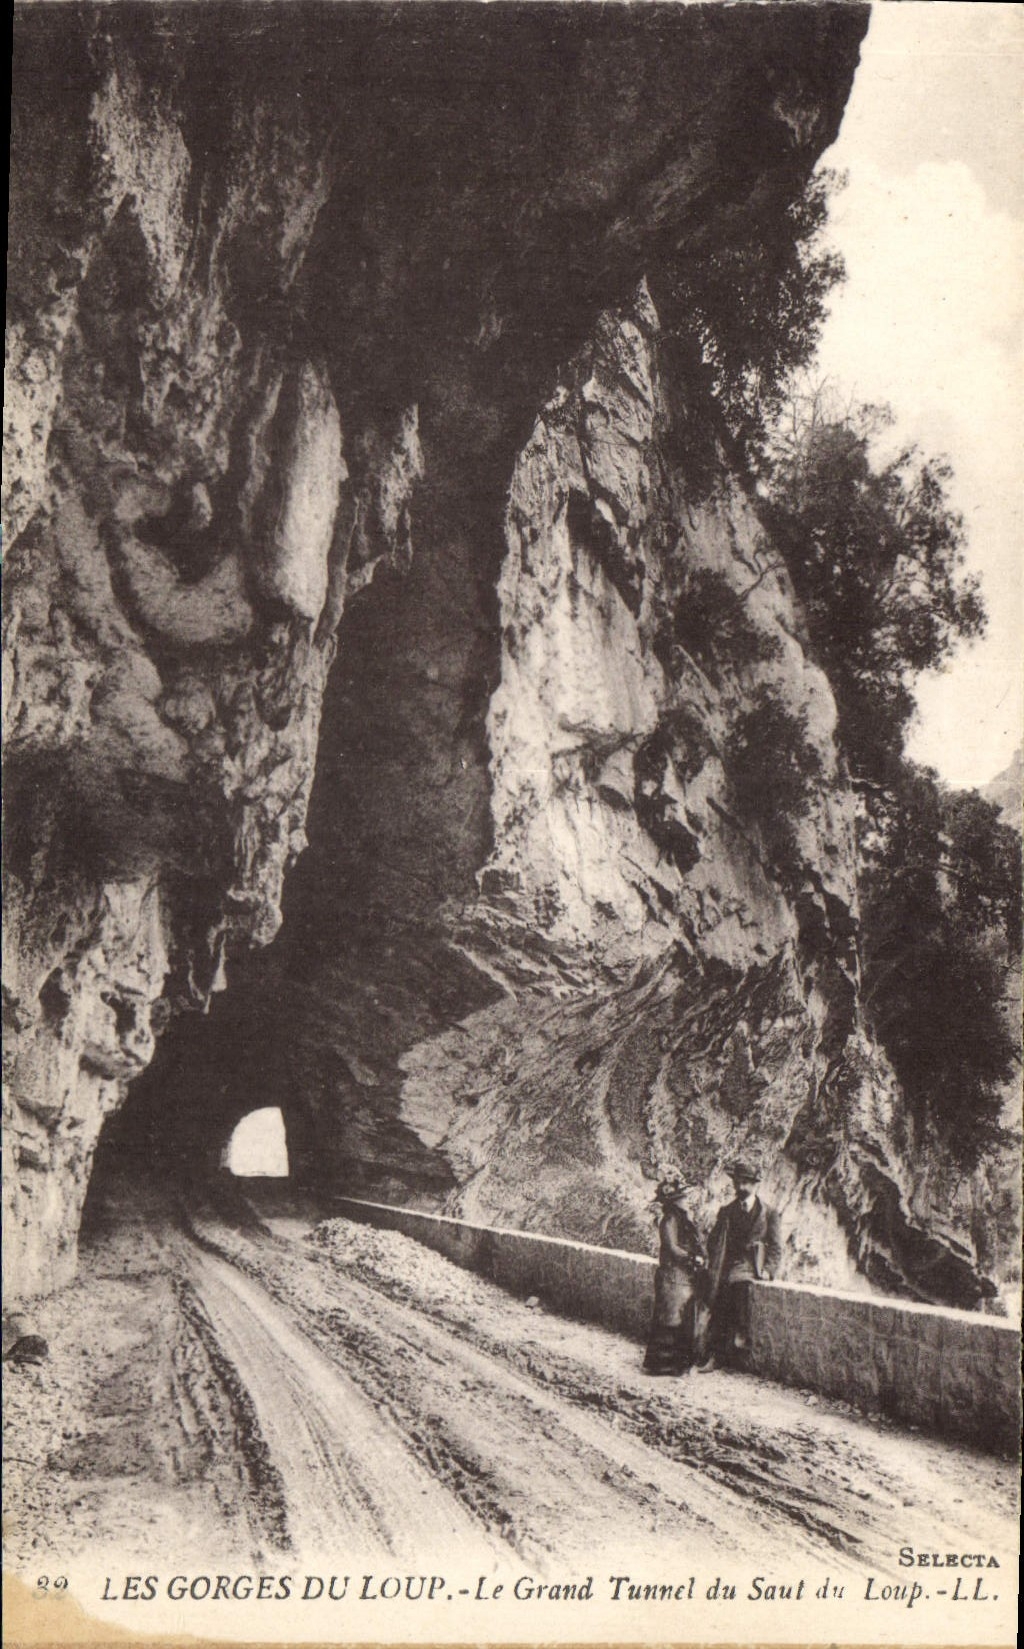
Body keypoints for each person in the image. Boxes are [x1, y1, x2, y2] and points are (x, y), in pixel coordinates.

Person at [696, 1160, 781, 1372]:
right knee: (717, 1303)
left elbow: (776, 1246)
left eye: (746, 1183)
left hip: (751, 1266)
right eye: (738, 1183)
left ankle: (735, 1351)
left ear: (754, 1185)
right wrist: (710, 1259)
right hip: (726, 1265)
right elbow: (713, 1240)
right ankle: (715, 1355)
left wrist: (769, 1270)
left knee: (738, 1296)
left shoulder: (768, 1212)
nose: (741, 1188)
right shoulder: (726, 1211)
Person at [643, 1176, 707, 1375]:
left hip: (682, 1276)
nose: (687, 1200)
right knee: (670, 1318)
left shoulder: (682, 1218)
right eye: (683, 1197)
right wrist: (692, 1258)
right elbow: (671, 1247)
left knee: (680, 1317)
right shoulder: (670, 1219)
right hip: (672, 1275)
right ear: (675, 1201)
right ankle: (663, 1365)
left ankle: (675, 1364)